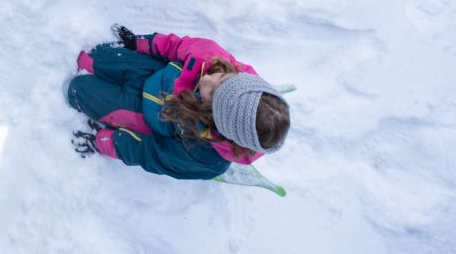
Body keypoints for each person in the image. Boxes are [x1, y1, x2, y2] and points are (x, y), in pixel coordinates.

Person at [67, 26, 290, 179]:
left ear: (217, 121)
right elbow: (178, 46)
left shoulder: (206, 158)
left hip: (144, 116)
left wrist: (107, 142)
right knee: (89, 56)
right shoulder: (219, 62)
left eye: (212, 93)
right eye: (222, 78)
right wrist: (142, 43)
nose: (207, 79)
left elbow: (152, 154)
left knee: (76, 89)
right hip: (151, 74)